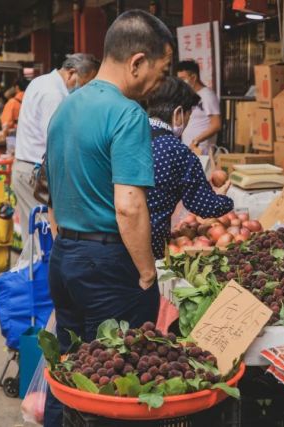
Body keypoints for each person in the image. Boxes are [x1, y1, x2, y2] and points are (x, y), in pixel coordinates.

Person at [44, 10, 173, 426]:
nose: (161, 83)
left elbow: (49, 186)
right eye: (161, 70)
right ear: (136, 62)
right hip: (107, 266)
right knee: (114, 384)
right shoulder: (127, 114)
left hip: (64, 260)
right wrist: (147, 274)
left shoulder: (67, 108)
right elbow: (129, 205)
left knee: (70, 372)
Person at [12, 53, 99, 247]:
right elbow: (58, 141)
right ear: (71, 73)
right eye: (85, 84)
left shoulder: (40, 81)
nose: (85, 91)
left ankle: (36, 274)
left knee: (34, 237)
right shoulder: (54, 95)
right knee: (43, 239)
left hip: (26, 168)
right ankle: (41, 277)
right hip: (35, 174)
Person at [145, 76, 233, 258]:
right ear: (178, 114)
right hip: (149, 247)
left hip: (112, 240)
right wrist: (222, 199)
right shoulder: (179, 152)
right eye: (188, 116)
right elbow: (205, 207)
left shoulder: (126, 135)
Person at [175, 60, 222, 153]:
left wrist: (196, 140)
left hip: (201, 149)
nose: (181, 82)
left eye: (183, 78)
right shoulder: (190, 95)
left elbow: (216, 124)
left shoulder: (207, 95)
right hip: (189, 148)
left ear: (193, 77)